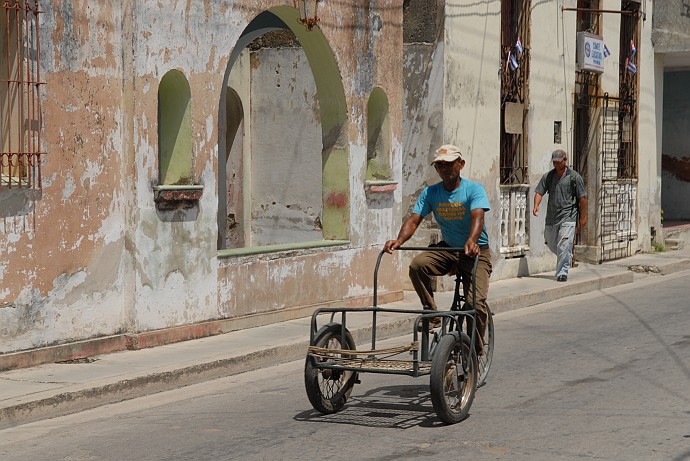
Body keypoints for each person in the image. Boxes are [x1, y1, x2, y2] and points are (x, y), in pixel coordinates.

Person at [383, 144, 492, 354]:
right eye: (439, 165)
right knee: (417, 265)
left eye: (448, 164)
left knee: (474, 304)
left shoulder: (473, 189)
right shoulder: (431, 192)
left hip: (475, 252)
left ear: (460, 164)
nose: (444, 169)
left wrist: (472, 241)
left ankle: (475, 352)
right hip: (448, 249)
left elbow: (478, 216)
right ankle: (431, 314)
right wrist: (399, 241)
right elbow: (414, 220)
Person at [532, 149, 587, 282]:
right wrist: (536, 205)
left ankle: (562, 272)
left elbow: (582, 198)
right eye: (554, 162)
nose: (556, 164)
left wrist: (583, 218)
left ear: (565, 160)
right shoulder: (549, 176)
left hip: (568, 216)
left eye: (558, 162)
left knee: (563, 245)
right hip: (552, 217)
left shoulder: (574, 177)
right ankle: (567, 255)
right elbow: (540, 191)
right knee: (551, 243)